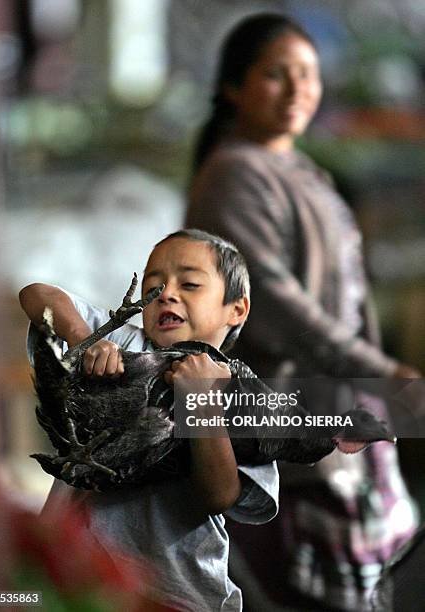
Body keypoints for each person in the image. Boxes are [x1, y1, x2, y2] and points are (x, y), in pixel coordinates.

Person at [186, 13, 420, 611]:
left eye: (309, 75)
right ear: (234, 87)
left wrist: (373, 387)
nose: (297, 91)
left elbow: (349, 299)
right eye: (276, 74)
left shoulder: (298, 168)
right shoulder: (235, 174)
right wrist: (382, 373)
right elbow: (275, 302)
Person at [19, 229, 279, 612]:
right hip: (77, 580)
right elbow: (36, 294)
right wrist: (85, 340)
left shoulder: (242, 394)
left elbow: (220, 495)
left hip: (177, 593)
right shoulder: (123, 345)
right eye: (153, 286)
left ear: (236, 309)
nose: (167, 294)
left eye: (189, 284)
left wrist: (202, 403)